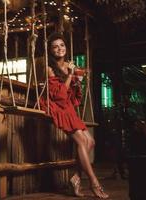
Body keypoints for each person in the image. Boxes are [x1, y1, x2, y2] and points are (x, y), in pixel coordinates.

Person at [40, 32, 109, 199]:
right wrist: (71, 75)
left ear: (66, 48)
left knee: (90, 141)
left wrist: (78, 80)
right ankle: (94, 182)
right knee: (82, 140)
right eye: (55, 47)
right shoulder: (50, 68)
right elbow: (59, 96)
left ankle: (75, 178)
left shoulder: (69, 65)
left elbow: (73, 98)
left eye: (62, 45)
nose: (59, 49)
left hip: (68, 106)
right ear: (50, 51)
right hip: (56, 105)